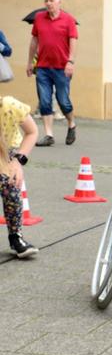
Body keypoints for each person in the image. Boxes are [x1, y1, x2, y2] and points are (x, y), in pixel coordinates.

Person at [27, 0, 78, 147]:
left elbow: (73, 41)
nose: (48, 4)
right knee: (44, 101)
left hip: (62, 68)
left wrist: (71, 62)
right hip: (42, 67)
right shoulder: (39, 18)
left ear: (58, 2)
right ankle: (49, 135)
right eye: (46, 1)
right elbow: (34, 41)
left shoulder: (68, 20)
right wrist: (30, 62)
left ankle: (71, 124)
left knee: (63, 101)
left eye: (51, 1)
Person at [0, 94, 40, 258]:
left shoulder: (10, 106)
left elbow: (32, 132)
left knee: (10, 185)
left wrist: (18, 161)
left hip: (7, 152)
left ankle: (16, 237)